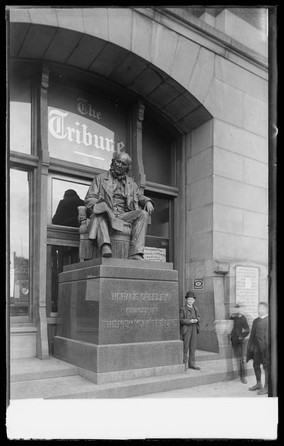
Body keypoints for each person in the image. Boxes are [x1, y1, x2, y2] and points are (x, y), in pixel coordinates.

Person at [84, 151, 154, 259]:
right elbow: (89, 198)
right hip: (106, 213)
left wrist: (147, 201)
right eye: (118, 162)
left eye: (123, 164)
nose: (119, 165)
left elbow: (139, 196)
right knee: (101, 210)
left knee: (143, 214)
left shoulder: (132, 184)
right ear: (113, 162)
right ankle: (105, 245)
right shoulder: (100, 178)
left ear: (127, 168)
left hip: (123, 215)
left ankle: (135, 253)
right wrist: (100, 205)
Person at [246, 301, 269, 395]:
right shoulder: (256, 320)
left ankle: (267, 387)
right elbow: (252, 335)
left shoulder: (269, 320)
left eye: (262, 308)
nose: (260, 310)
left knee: (266, 367)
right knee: (256, 365)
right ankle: (258, 383)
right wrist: (251, 348)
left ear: (267, 309)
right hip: (256, 349)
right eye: (259, 308)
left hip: (266, 349)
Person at [179, 291, 201, 371]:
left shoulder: (196, 308)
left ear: (194, 300)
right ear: (186, 300)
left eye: (192, 299)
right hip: (186, 329)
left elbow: (199, 317)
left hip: (194, 328)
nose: (190, 301)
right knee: (185, 346)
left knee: (193, 347)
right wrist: (190, 321)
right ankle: (184, 364)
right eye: (189, 299)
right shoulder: (183, 309)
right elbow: (180, 320)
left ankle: (192, 364)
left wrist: (196, 320)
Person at [229, 304, 250, 384]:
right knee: (235, 358)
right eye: (235, 309)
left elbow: (247, 329)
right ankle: (234, 375)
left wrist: (242, 336)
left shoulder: (242, 317)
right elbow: (228, 326)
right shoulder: (232, 317)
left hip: (240, 341)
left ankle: (243, 376)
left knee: (241, 359)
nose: (236, 310)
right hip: (233, 340)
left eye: (238, 309)